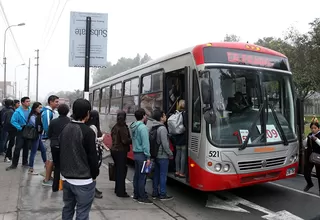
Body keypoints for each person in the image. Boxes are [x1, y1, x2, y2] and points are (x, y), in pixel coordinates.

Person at [60, 98, 99, 220]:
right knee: (82, 212)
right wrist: (94, 174)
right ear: (87, 113)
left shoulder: (65, 128)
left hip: (66, 178)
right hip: (83, 180)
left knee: (67, 208)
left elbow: (59, 150)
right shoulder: (88, 132)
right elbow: (92, 156)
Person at [130, 108, 152, 204]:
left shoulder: (133, 126)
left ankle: (136, 194)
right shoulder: (143, 128)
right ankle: (142, 197)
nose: (146, 117)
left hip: (136, 154)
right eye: (146, 115)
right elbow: (145, 144)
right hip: (142, 155)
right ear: (143, 116)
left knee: (137, 176)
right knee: (142, 177)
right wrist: (148, 157)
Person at [151, 110, 173, 201]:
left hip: (156, 154)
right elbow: (165, 144)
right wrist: (170, 153)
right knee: (163, 175)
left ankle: (155, 192)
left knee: (156, 175)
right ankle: (163, 194)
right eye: (164, 115)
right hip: (163, 156)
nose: (165, 117)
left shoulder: (153, 127)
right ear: (161, 118)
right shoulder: (162, 128)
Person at [48, 104, 71, 192]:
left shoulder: (53, 121)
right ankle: (66, 187)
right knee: (67, 166)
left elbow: (49, 134)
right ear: (68, 112)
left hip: (55, 146)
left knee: (57, 166)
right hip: (66, 146)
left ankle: (55, 187)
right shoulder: (70, 121)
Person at [6, 97, 31, 171]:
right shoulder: (17, 111)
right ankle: (14, 164)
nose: (28, 103)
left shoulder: (30, 110)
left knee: (26, 147)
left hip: (29, 131)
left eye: (29, 101)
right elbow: (13, 121)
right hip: (20, 131)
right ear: (22, 102)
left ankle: (25, 162)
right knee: (18, 148)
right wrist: (20, 127)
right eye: (27, 101)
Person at [111, 111, 131, 198]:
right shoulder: (122, 127)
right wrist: (132, 139)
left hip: (114, 150)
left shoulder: (115, 126)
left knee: (118, 170)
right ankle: (121, 192)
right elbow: (125, 141)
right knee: (121, 172)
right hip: (121, 151)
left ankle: (117, 189)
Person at [41, 95, 59, 187]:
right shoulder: (48, 112)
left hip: (49, 138)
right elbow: (47, 127)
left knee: (50, 158)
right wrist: (53, 137)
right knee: (50, 159)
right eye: (56, 101)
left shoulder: (50, 112)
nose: (57, 103)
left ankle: (48, 177)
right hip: (48, 139)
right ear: (50, 102)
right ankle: (46, 179)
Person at [86, 110, 103, 199]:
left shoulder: (89, 126)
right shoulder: (93, 127)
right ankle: (92, 190)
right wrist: (101, 138)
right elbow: (94, 140)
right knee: (93, 171)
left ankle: (93, 188)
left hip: (93, 151)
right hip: (94, 151)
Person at [28, 102, 47, 175]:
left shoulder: (38, 116)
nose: (40, 109)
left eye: (41, 107)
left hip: (39, 136)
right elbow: (36, 125)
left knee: (43, 150)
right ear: (35, 108)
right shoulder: (33, 117)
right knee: (33, 152)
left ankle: (46, 165)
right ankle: (31, 169)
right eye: (39, 107)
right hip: (35, 136)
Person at [304, 119, 320, 194]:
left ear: (318, 128)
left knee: (319, 174)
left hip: (318, 156)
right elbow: (305, 145)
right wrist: (305, 139)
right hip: (310, 156)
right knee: (306, 172)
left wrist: (316, 139)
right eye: (312, 128)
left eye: (315, 128)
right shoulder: (310, 135)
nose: (313, 130)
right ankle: (310, 184)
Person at [173, 100, 187, 178]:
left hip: (177, 137)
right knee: (183, 155)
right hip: (183, 137)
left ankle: (177, 171)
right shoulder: (184, 114)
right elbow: (185, 125)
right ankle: (182, 172)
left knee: (177, 154)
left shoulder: (176, 113)